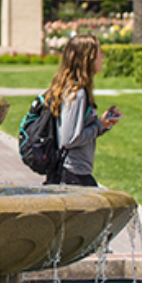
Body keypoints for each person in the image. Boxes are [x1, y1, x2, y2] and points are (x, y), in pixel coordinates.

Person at [40, 35, 121, 186]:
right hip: (73, 175)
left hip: (74, 172)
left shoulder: (76, 90)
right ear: (88, 59)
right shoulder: (77, 93)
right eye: (99, 53)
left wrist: (102, 124)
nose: (103, 57)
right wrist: (99, 126)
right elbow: (69, 138)